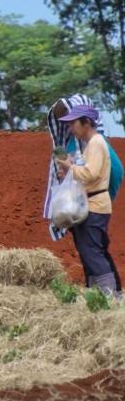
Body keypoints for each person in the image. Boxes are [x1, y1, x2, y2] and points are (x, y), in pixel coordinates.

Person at [54, 103, 121, 296]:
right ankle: (100, 294)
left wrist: (70, 168)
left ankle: (109, 297)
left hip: (95, 206)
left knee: (92, 252)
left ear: (86, 123)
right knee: (91, 251)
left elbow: (91, 174)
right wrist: (72, 167)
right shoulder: (91, 145)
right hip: (91, 205)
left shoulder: (97, 143)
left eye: (73, 123)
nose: (70, 128)